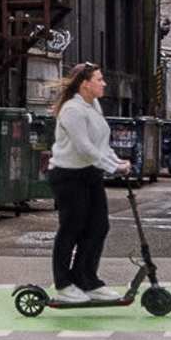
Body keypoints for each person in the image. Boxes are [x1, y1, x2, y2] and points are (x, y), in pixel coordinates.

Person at [47, 63, 124, 297]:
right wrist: (113, 167)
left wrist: (117, 161)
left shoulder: (93, 106)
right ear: (85, 84)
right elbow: (84, 147)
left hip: (90, 174)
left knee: (99, 226)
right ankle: (63, 284)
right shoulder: (72, 110)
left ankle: (86, 278)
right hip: (68, 175)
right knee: (72, 228)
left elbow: (100, 144)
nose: (104, 83)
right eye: (99, 79)